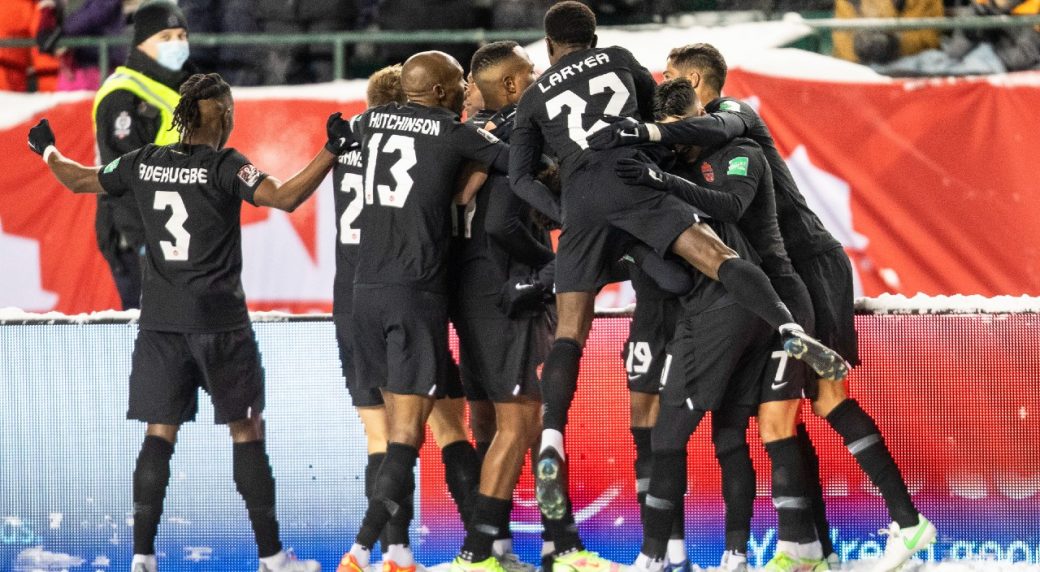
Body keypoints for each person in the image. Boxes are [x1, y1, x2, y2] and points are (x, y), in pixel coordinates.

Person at [507, 5, 847, 568]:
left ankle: (552, 436)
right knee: (714, 259)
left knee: (570, 333)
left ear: (548, 46)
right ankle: (788, 326)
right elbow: (658, 122)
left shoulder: (534, 96)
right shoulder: (621, 60)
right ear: (594, 37)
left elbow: (519, 177)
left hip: (585, 206)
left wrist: (567, 213)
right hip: (636, 186)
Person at [592, 44, 935, 571]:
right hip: (766, 285)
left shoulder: (734, 119)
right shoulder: (695, 150)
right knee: (779, 419)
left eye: (672, 76)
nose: (664, 84)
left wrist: (651, 137)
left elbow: (721, 181)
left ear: (697, 83)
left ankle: (905, 525)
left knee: (821, 400)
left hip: (808, 265)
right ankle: (812, 548)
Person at [29, 71, 346, 572]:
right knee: (246, 431)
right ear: (223, 115)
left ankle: (142, 558)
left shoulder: (142, 161)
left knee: (159, 435)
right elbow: (285, 196)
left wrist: (47, 149)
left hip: (160, 326)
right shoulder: (226, 166)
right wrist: (331, 149)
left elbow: (78, 179)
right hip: (221, 326)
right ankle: (272, 558)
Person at [618, 78, 827, 571]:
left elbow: (728, 209)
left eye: (682, 131)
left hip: (730, 303)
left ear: (698, 115)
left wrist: (656, 190)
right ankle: (738, 555)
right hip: (754, 304)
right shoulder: (679, 165)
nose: (678, 142)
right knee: (730, 434)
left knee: (668, 437)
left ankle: (654, 556)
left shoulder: (737, 152)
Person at [333, 50, 511, 572]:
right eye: (457, 82)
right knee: (417, 435)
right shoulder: (449, 133)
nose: (462, 90)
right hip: (415, 295)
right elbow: (513, 161)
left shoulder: (363, 127)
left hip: (361, 295)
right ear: (435, 92)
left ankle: (413, 553)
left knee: (395, 433)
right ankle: (361, 552)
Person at [447, 41, 555, 572]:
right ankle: (499, 549)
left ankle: (500, 547)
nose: (538, 77)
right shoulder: (521, 135)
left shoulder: (463, 136)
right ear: (511, 85)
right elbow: (502, 221)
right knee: (526, 420)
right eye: (530, 72)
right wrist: (550, 266)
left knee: (487, 420)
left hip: (465, 291)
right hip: (509, 290)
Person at [92, 0, 191, 310]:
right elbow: (121, 178)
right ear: (141, 43)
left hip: (175, 232)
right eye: (165, 37)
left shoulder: (178, 87)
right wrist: (146, 243)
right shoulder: (124, 95)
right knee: (150, 328)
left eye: (182, 36)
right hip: (141, 237)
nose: (177, 44)